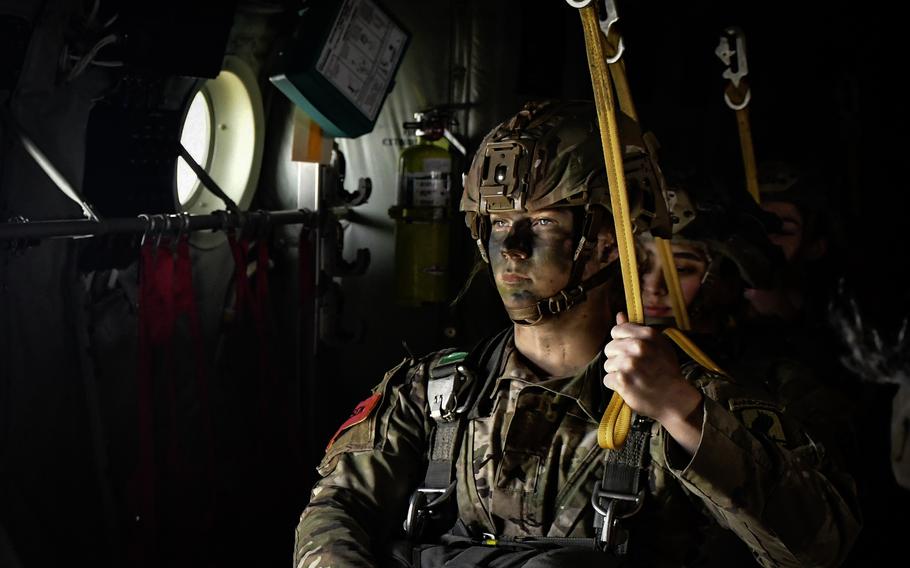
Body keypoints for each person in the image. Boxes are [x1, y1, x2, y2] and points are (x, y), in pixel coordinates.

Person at [293, 101, 860, 567]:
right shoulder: (434, 392)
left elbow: (820, 549)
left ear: (608, 243)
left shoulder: (690, 398)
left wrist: (682, 414)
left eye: (543, 223)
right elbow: (335, 509)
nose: (511, 249)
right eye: (497, 224)